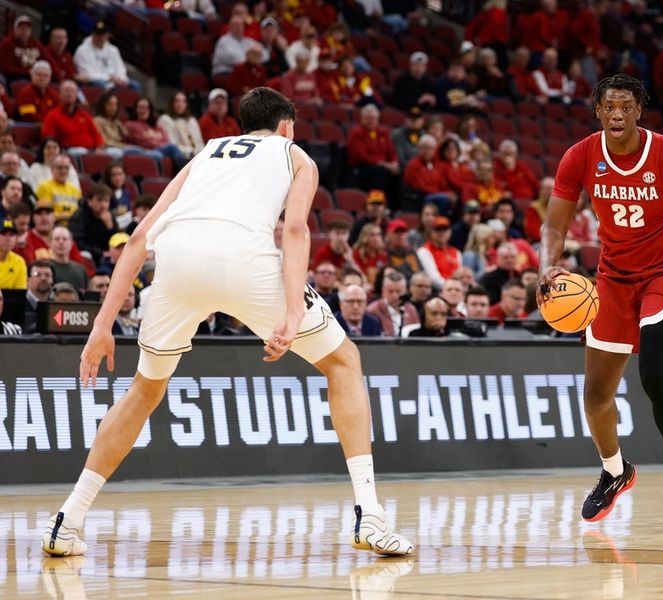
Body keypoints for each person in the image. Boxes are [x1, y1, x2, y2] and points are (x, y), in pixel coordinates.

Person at [41, 87, 412, 558]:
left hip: (174, 266)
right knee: (344, 362)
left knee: (144, 390)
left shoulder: (205, 155)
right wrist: (294, 309)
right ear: (285, 127)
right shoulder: (295, 155)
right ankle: (370, 513)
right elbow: (296, 229)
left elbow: (138, 238)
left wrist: (102, 325)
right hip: (244, 261)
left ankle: (68, 520)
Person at [539, 74, 663, 533]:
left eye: (625, 106)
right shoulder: (580, 156)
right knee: (596, 396)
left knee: (655, 375)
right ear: (597, 111)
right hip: (613, 279)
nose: (616, 114)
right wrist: (548, 265)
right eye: (608, 106)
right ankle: (615, 471)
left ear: (639, 110)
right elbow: (555, 224)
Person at [41, 80, 106, 155]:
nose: (69, 94)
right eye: (66, 91)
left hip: (91, 151)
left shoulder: (84, 115)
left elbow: (96, 135)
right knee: (80, 151)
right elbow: (48, 139)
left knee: (115, 153)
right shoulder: (52, 116)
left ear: (76, 95)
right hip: (67, 152)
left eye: (72, 91)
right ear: (60, 94)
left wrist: (99, 147)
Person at [347, 105, 399, 193]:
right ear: (362, 118)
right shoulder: (356, 133)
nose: (372, 121)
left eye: (374, 118)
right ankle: (377, 201)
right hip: (363, 167)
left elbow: (392, 152)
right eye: (368, 118)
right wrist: (381, 163)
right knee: (380, 172)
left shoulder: (383, 133)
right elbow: (360, 156)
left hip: (383, 166)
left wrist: (394, 163)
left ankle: (395, 205)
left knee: (398, 172)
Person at [67, 184, 119, 264]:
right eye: (99, 200)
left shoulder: (110, 216)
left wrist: (110, 228)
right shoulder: (79, 217)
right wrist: (101, 253)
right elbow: (77, 243)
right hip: (86, 256)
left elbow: (118, 242)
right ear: (90, 202)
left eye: (106, 201)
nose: (103, 205)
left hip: (106, 257)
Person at [73, 21, 133, 89]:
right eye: (97, 34)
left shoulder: (113, 50)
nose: (100, 37)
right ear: (92, 34)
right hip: (95, 82)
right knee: (100, 84)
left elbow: (120, 68)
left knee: (134, 85)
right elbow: (86, 74)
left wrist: (122, 79)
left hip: (114, 81)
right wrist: (108, 78)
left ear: (107, 35)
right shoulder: (82, 50)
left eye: (103, 34)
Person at [366, 270, 419, 336]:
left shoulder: (411, 310)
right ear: (383, 291)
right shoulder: (373, 310)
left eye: (398, 291)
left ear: (405, 291)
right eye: (390, 291)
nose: (395, 296)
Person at [416, 215, 461, 289]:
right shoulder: (424, 251)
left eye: (444, 230)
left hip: (455, 289)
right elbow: (434, 279)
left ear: (450, 232)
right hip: (437, 290)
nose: (441, 233)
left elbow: (459, 275)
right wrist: (452, 288)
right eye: (438, 229)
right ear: (430, 232)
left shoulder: (456, 252)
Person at [157, 91, 206, 159]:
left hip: (197, 155)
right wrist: (191, 152)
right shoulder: (165, 120)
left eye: (183, 101)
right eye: (177, 101)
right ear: (171, 103)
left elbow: (199, 142)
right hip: (182, 156)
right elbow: (172, 144)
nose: (180, 104)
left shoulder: (192, 120)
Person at [35, 155, 82, 224]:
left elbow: (81, 214)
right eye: (60, 168)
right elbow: (45, 215)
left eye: (66, 168)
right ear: (52, 169)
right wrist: (70, 216)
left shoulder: (75, 190)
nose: (63, 171)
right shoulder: (44, 187)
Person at [0, 15, 44, 82]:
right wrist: (28, 71)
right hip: (14, 78)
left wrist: (61, 79)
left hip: (34, 76)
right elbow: (6, 68)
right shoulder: (7, 44)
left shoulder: (36, 44)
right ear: (15, 30)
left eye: (27, 29)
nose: (24, 32)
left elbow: (49, 60)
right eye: (21, 28)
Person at [48, 226, 89, 291]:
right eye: (57, 239)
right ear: (49, 243)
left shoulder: (81, 269)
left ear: (71, 243)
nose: (61, 242)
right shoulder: (45, 268)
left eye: (65, 239)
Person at [390, 105, 425, 171]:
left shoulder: (424, 135)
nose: (414, 121)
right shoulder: (397, 134)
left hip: (422, 170)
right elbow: (400, 159)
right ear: (405, 120)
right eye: (411, 118)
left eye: (417, 118)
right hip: (404, 170)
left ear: (422, 121)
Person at [0, 217, 26, 289]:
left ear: (16, 238)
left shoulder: (19, 262)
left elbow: (19, 293)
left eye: (11, 235)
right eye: (3, 234)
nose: (8, 239)